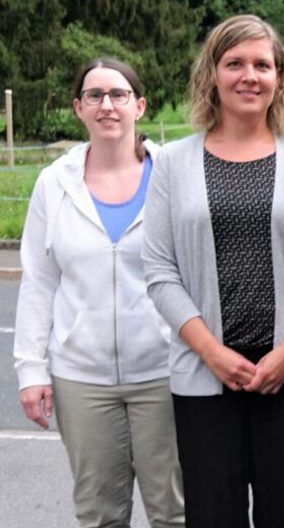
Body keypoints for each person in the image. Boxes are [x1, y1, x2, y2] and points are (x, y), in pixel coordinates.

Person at [142, 14, 284, 527]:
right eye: (234, 63)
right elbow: (160, 269)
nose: (248, 76)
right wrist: (212, 352)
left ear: (280, 77)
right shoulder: (172, 163)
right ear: (212, 74)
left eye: (262, 64)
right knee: (213, 516)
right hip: (205, 375)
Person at [14, 58, 184, 527]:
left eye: (118, 95)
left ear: (140, 106)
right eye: (95, 96)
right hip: (81, 378)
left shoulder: (173, 175)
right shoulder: (55, 183)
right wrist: (31, 371)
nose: (107, 105)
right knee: (99, 515)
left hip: (164, 373)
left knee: (175, 512)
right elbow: (39, 280)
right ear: (79, 108)